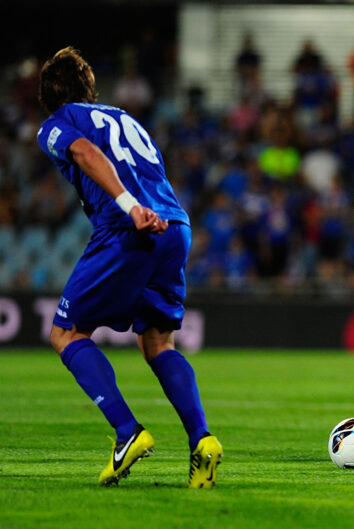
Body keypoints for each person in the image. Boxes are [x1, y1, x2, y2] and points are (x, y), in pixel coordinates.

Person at [36, 47, 222, 487]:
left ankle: (127, 432)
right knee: (158, 341)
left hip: (129, 226)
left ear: (48, 98)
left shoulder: (57, 124)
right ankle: (203, 441)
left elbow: (82, 152)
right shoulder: (126, 119)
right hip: (174, 225)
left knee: (64, 332)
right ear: (90, 87)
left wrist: (130, 207)